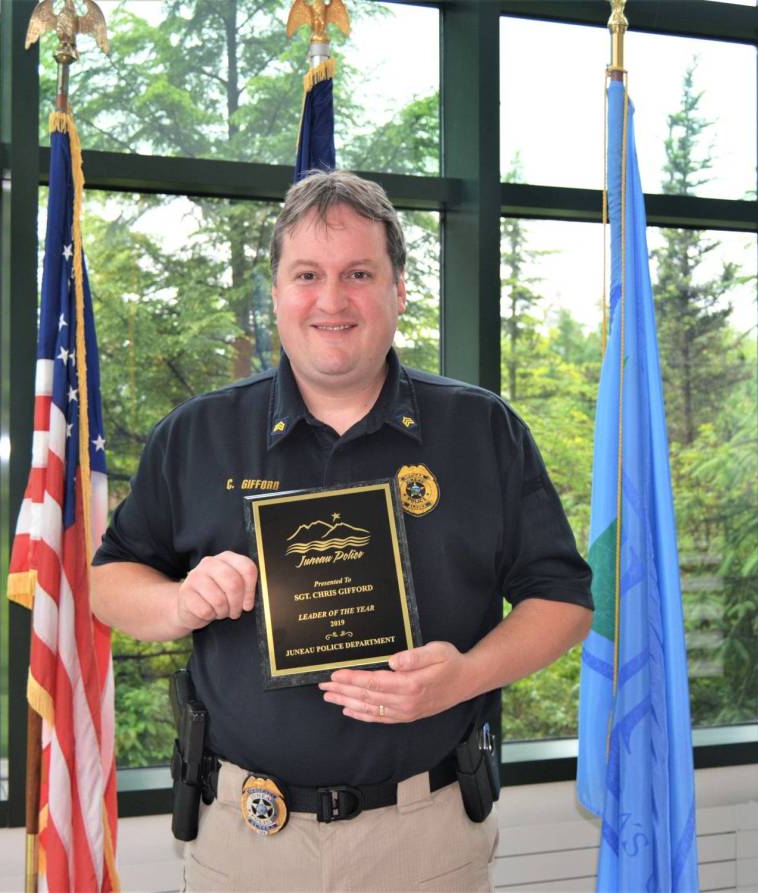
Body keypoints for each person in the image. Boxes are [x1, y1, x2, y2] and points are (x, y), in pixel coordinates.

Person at [91, 170, 593, 891]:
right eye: (307, 274)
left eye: (359, 272)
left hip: (428, 836)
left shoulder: (483, 431)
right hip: (247, 836)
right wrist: (179, 603)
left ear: (399, 291)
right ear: (277, 293)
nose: (332, 299)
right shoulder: (198, 434)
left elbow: (564, 600)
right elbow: (109, 580)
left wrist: (464, 678)